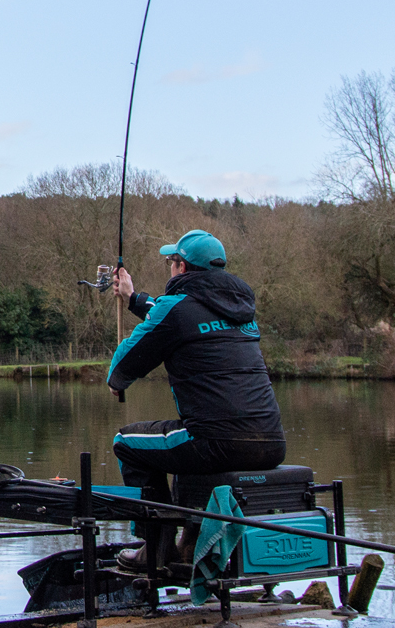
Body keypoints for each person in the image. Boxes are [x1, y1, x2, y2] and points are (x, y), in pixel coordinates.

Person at [107, 229, 286, 564]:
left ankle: (155, 548)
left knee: (126, 443)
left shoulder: (177, 309)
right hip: (271, 444)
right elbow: (183, 317)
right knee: (181, 448)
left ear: (182, 268)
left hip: (214, 442)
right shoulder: (241, 312)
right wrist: (134, 298)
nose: (169, 268)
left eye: (171, 262)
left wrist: (118, 381)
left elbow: (120, 372)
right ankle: (190, 542)